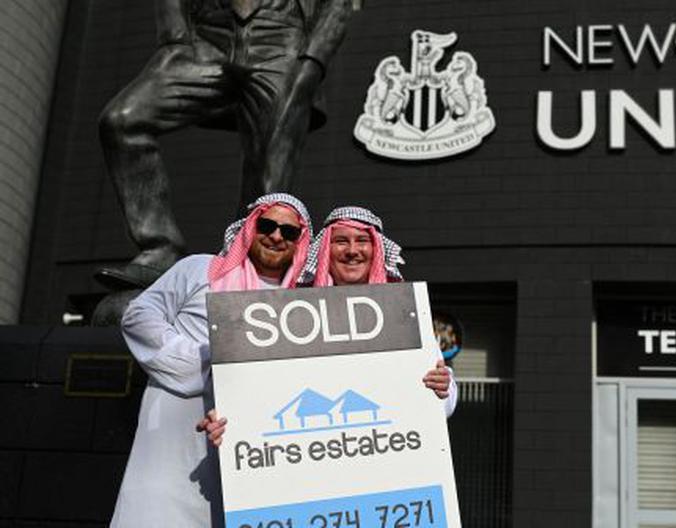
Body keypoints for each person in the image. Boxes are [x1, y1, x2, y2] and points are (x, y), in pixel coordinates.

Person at [98, 0, 351, 288]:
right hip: (206, 41)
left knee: (270, 172)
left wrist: (313, 60)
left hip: (281, 40)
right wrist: (175, 40)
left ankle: (247, 267)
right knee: (121, 120)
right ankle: (160, 248)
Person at [110, 193, 314, 528]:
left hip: (253, 451)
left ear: (299, 242)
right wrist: (198, 359)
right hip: (174, 433)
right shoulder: (199, 269)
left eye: (289, 232)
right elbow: (138, 315)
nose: (277, 236)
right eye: (268, 225)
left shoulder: (299, 305)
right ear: (251, 227)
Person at [200, 206, 457, 447]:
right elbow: (265, 388)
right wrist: (232, 419)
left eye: (362, 241)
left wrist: (443, 387)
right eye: (341, 241)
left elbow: (441, 403)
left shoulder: (405, 315)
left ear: (377, 250)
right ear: (325, 251)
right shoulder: (293, 314)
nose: (352, 250)